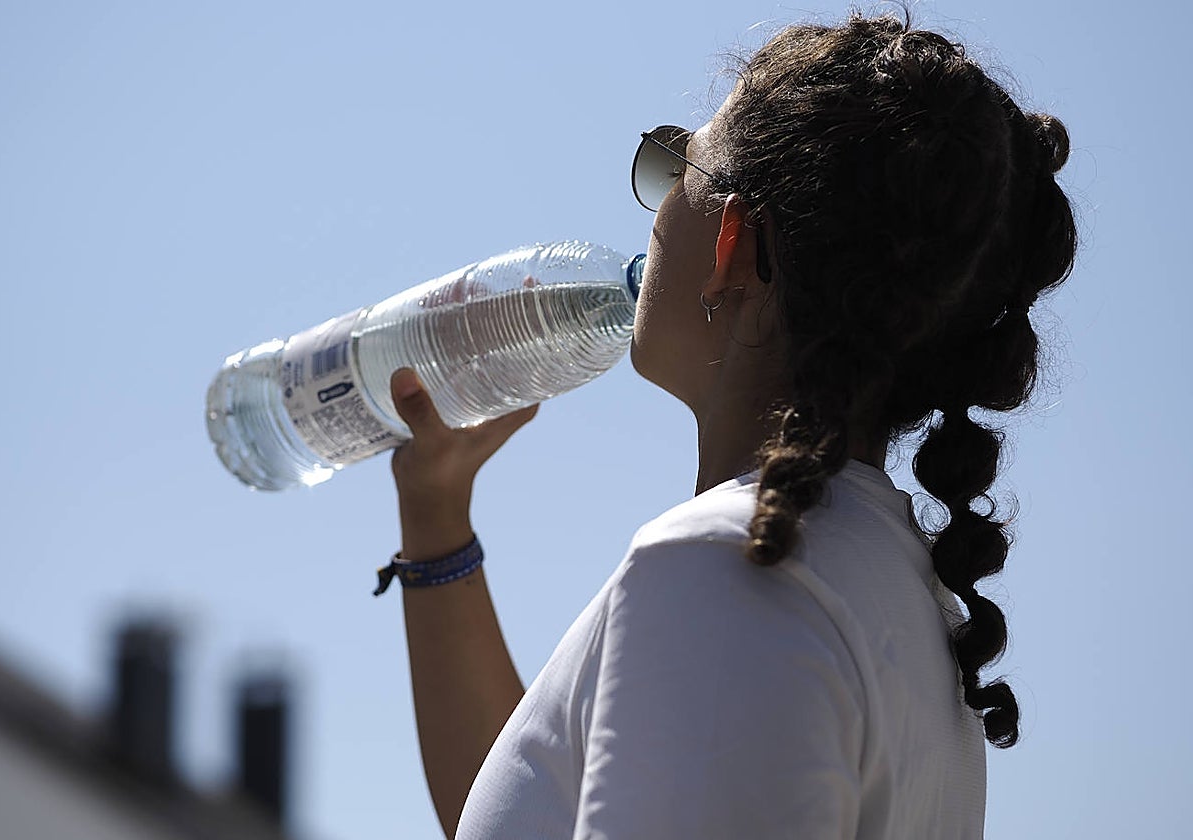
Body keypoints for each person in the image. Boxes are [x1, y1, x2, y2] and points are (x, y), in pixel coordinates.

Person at [378, 10, 1077, 839]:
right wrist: (436, 514)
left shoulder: (724, 569)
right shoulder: (914, 616)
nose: (655, 204)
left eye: (677, 165)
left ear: (734, 245)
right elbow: (535, 803)